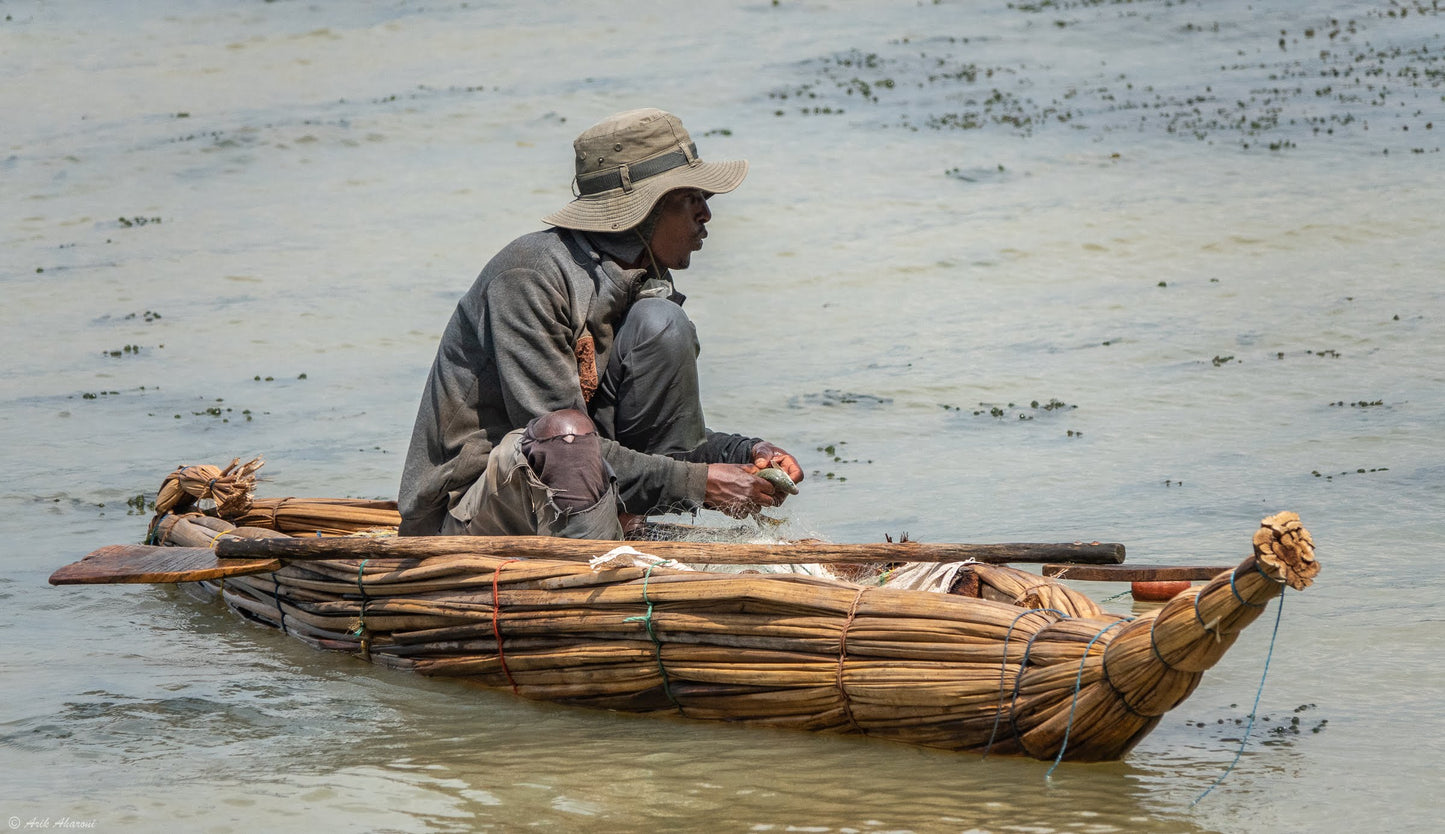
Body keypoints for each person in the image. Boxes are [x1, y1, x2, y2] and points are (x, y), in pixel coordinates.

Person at [398, 107, 803, 540]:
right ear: (644, 209)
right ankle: (597, 575)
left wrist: (746, 453)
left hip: (579, 494)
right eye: (691, 199)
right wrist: (702, 484)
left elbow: (660, 448)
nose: (705, 214)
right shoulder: (531, 279)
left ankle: (621, 537)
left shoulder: (644, 286)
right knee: (568, 435)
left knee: (663, 324)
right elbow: (562, 449)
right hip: (467, 513)